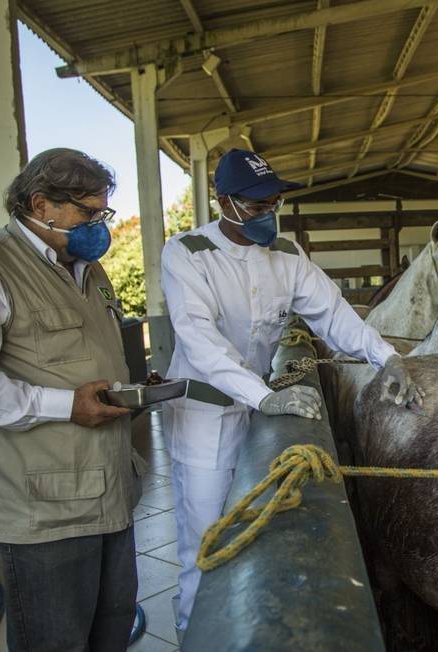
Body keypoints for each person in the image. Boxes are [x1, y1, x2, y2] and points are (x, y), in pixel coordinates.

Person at [160, 149, 422, 638]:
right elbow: (198, 339)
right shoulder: (188, 253)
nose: (268, 215)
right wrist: (262, 396)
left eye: (273, 204)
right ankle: (192, 632)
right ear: (224, 202)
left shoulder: (287, 254)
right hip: (206, 412)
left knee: (249, 522)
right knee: (205, 537)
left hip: (258, 402)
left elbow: (333, 312)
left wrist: (385, 356)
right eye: (257, 206)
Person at [0, 148, 140, 651]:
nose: (99, 225)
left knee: (112, 626)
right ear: (41, 205)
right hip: (42, 506)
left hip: (109, 486)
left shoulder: (87, 267)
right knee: (55, 640)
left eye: (103, 212)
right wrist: (67, 405)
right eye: (88, 213)